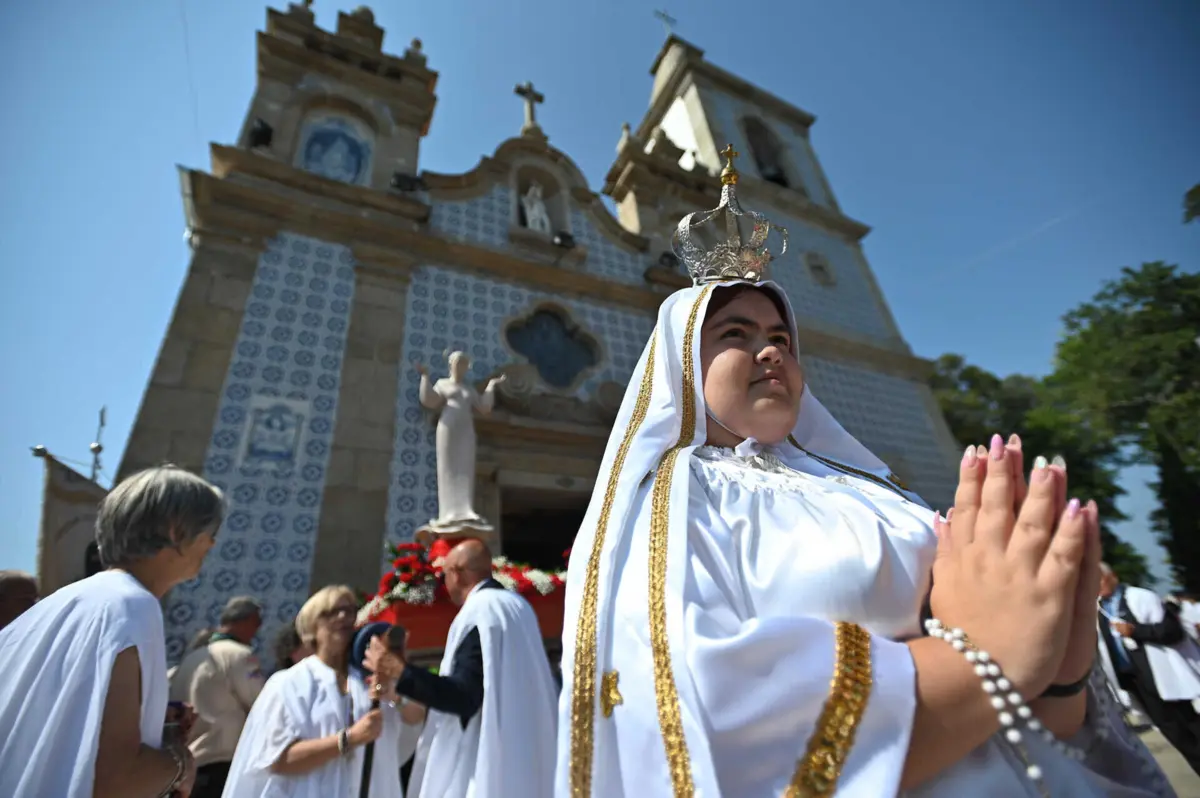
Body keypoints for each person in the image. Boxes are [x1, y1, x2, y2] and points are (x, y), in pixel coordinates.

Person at [554, 151, 1172, 798]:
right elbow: (703, 719)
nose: (770, 349)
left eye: (783, 339)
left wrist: (1062, 670)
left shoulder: (871, 489)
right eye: (734, 333)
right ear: (681, 364)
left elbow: (1032, 715)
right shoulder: (674, 502)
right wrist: (986, 659)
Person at [0, 465, 224, 797]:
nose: (212, 542)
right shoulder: (132, 607)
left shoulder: (54, 607)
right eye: (209, 530)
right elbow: (116, 782)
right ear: (177, 531)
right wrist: (179, 763)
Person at [369, 538, 558, 798]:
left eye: (443, 575)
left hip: (484, 763)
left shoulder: (480, 611)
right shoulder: (519, 606)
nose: (444, 583)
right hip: (528, 755)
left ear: (457, 573)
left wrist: (401, 672)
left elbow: (465, 696)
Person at [220, 585, 425, 798]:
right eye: (331, 612)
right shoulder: (288, 684)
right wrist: (348, 739)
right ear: (312, 628)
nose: (344, 616)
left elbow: (416, 716)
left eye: (350, 611)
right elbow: (277, 759)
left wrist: (393, 693)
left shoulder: (369, 677)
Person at [1098, 563, 1200, 775]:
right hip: (1135, 682)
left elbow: (1173, 632)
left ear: (1113, 576)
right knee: (1176, 735)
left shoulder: (1141, 598)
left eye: (1100, 578)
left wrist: (1137, 631)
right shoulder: (1097, 609)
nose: (1096, 585)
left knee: (1191, 726)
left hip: (1162, 676)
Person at [170, 596, 266, 798]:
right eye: (257, 622)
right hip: (220, 765)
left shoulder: (191, 658)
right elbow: (262, 707)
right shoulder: (240, 655)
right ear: (248, 621)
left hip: (187, 765)